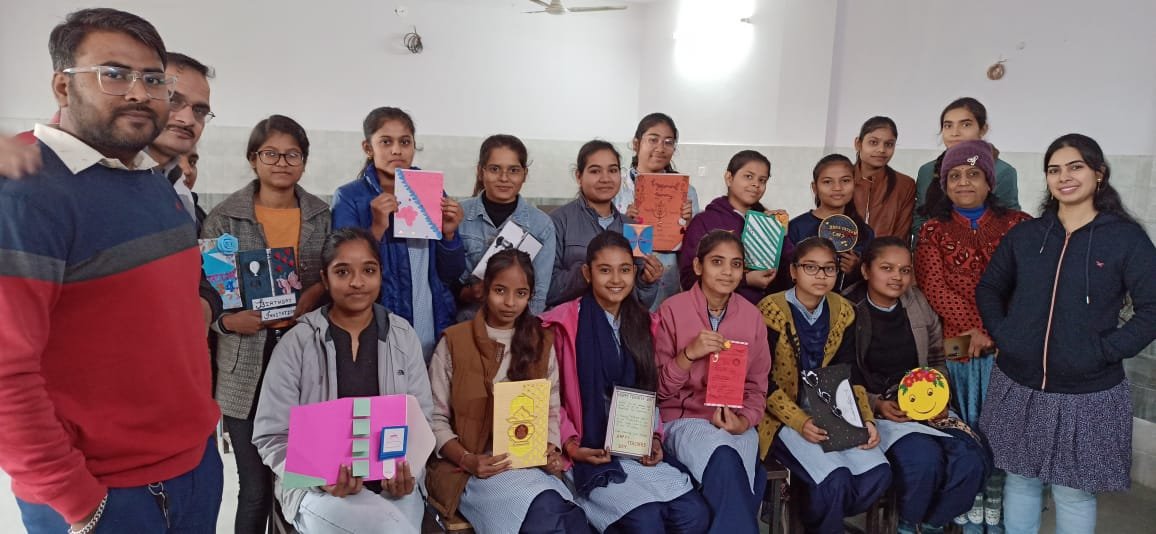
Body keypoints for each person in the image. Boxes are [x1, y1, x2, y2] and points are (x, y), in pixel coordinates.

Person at [0, 8, 222, 533]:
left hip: (193, 466)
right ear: (63, 86)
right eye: (114, 74)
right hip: (104, 494)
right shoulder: (25, 192)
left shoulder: (151, 181)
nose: (139, 93)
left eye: (153, 79)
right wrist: (76, 501)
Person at [977, 134, 1156, 534]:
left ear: (1099, 173)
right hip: (1019, 382)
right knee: (1021, 479)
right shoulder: (1027, 235)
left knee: (1073, 492)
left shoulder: (1125, 239)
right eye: (1054, 170)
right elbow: (989, 288)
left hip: (1088, 390)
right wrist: (1007, 335)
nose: (1064, 177)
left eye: (1076, 167)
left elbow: (1152, 308)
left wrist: (1105, 351)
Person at [252, 228, 434, 533]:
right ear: (325, 279)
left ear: (380, 274)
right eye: (342, 272)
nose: (357, 282)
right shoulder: (298, 343)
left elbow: (422, 422)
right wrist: (319, 479)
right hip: (317, 490)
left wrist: (409, 472)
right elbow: (271, 435)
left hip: (394, 487)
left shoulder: (403, 336)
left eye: (368, 270)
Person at [202, 114, 331, 534]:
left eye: (292, 154)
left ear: (304, 161)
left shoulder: (320, 215)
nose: (281, 163)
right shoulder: (224, 219)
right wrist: (227, 322)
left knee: (303, 477)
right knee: (255, 488)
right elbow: (207, 293)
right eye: (270, 154)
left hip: (305, 357)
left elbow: (332, 273)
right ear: (253, 159)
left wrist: (313, 294)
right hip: (245, 363)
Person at [541, 231, 709, 533]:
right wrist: (570, 443)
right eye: (605, 270)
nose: (616, 279)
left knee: (693, 514)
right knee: (646, 521)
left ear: (634, 272)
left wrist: (654, 437)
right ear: (587, 273)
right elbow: (549, 397)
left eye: (625, 270)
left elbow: (649, 390)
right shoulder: (561, 325)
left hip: (633, 447)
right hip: (587, 450)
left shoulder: (645, 322)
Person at [427, 249, 590, 533]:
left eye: (521, 293)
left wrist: (550, 448)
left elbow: (551, 408)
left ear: (530, 296)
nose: (510, 303)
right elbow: (434, 419)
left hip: (527, 466)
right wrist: (468, 460)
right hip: (473, 471)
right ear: (484, 289)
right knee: (546, 515)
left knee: (565, 515)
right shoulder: (455, 342)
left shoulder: (541, 342)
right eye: (500, 291)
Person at [915, 139, 1031, 529]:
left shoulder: (1019, 225)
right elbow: (934, 287)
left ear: (990, 181)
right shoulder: (932, 231)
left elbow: (1029, 284)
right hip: (955, 344)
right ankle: (966, 507)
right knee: (965, 428)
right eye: (955, 176)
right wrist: (974, 332)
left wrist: (997, 331)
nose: (964, 182)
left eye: (973, 174)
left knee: (1006, 433)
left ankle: (998, 512)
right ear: (944, 184)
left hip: (1008, 346)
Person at [846, 237, 990, 533]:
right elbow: (840, 372)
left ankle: (932, 524)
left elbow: (937, 354)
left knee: (973, 459)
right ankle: (907, 525)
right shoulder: (847, 308)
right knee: (924, 461)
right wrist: (875, 403)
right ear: (865, 270)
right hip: (882, 410)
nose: (897, 277)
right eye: (887, 268)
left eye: (904, 270)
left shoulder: (917, 302)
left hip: (926, 403)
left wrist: (938, 395)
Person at [757, 236, 888, 534]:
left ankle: (815, 512)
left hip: (832, 408)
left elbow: (851, 373)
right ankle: (823, 517)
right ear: (793, 271)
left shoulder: (844, 310)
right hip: (782, 415)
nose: (821, 276)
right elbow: (763, 380)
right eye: (811, 267)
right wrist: (800, 421)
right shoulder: (770, 309)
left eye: (829, 268)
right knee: (834, 481)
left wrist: (866, 419)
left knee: (876, 474)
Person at [656, 230, 772, 533]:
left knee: (742, 469)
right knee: (725, 460)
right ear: (698, 266)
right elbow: (657, 391)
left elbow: (757, 387)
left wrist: (744, 421)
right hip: (685, 420)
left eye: (736, 264)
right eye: (717, 262)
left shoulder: (752, 317)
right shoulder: (672, 310)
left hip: (735, 422)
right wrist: (688, 355)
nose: (727, 272)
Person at [331, 106, 465, 360]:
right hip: (378, 325)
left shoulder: (433, 192)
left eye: (404, 142)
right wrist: (376, 228)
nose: (396, 150)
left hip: (432, 323)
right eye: (386, 142)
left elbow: (450, 274)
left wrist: (449, 236)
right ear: (368, 148)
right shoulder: (350, 197)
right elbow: (345, 274)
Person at [548, 140, 663, 308]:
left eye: (613, 170)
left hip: (620, 322)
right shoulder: (557, 222)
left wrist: (647, 281)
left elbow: (640, 302)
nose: (605, 179)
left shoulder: (634, 227)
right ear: (579, 176)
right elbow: (546, 288)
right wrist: (585, 273)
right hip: (572, 321)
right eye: (595, 171)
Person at [457, 134, 556, 317]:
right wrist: (469, 293)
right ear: (480, 171)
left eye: (513, 170)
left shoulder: (542, 226)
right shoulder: (458, 216)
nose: (504, 178)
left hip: (517, 327)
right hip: (465, 323)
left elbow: (538, 295)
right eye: (495, 169)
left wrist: (520, 330)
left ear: (524, 174)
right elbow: (443, 284)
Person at [680, 150, 793, 304]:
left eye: (762, 180)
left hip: (762, 311)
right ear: (729, 178)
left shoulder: (768, 223)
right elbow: (688, 278)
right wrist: (745, 280)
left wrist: (781, 236)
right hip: (715, 310)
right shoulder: (704, 221)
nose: (756, 184)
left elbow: (791, 275)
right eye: (748, 176)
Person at [616, 112, 697, 310]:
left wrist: (689, 225)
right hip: (623, 284)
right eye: (653, 139)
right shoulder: (617, 188)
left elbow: (695, 249)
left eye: (668, 142)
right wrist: (623, 222)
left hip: (668, 286)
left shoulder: (686, 192)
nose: (660, 148)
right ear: (636, 144)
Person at [913, 97, 1021, 242]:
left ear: (983, 129)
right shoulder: (927, 171)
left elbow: (1010, 222)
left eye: (965, 125)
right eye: (948, 125)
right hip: (933, 250)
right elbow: (919, 218)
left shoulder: (1002, 171)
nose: (955, 133)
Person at [788, 154, 875, 292]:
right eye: (827, 182)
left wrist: (857, 270)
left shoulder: (865, 232)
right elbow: (786, 274)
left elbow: (871, 280)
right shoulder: (796, 227)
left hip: (846, 303)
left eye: (845, 181)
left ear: (854, 184)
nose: (837, 187)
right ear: (815, 187)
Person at [851, 116, 916, 239]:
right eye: (873, 142)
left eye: (889, 144)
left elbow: (901, 236)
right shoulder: (841, 181)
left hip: (888, 251)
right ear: (858, 144)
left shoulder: (904, 185)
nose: (881, 150)